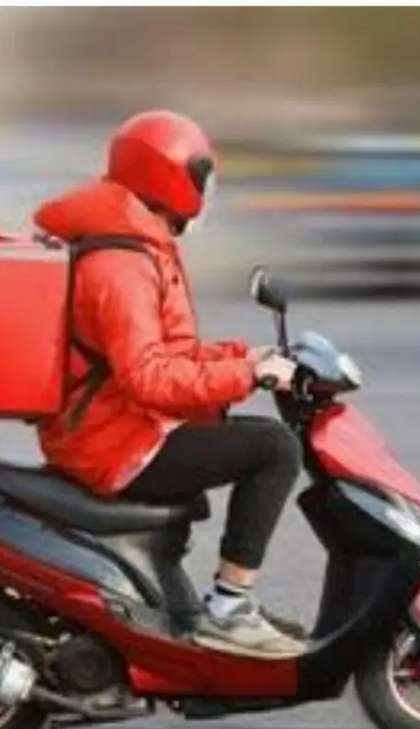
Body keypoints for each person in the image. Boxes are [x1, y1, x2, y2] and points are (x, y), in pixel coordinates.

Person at [33, 110, 305, 658]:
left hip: (121, 429)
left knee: (236, 437)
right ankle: (230, 608)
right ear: (168, 177)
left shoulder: (139, 243)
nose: (205, 189)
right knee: (274, 448)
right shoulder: (119, 262)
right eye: (199, 175)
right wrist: (246, 374)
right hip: (116, 444)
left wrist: (244, 358)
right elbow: (148, 376)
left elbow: (168, 353)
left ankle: (193, 610)